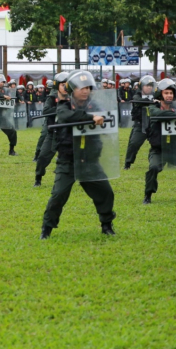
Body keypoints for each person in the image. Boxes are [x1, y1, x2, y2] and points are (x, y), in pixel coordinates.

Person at [40, 70, 116, 239]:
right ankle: (47, 228)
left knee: (106, 192)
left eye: (88, 87)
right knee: (58, 195)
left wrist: (98, 118)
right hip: (68, 161)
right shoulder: (64, 105)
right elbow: (65, 116)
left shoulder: (95, 106)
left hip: (90, 161)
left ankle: (106, 224)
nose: (85, 91)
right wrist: (90, 117)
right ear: (72, 89)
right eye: (81, 87)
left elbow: (106, 117)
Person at [34, 72, 69, 187]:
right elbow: (46, 111)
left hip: (68, 133)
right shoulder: (52, 97)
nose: (65, 87)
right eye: (62, 85)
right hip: (53, 133)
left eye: (67, 85)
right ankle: (38, 178)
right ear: (57, 85)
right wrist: (60, 109)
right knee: (43, 157)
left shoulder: (74, 97)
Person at [124, 75, 156, 169]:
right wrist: (152, 101)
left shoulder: (156, 95)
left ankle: (156, 161)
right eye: (147, 85)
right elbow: (138, 100)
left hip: (154, 124)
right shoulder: (137, 95)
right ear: (141, 86)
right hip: (140, 125)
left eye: (151, 85)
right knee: (134, 143)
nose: (149, 87)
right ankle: (127, 163)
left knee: (159, 144)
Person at [0, 74, 18, 156]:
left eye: (2, 81)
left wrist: (11, 102)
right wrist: (3, 96)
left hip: (0, 116)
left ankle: (12, 150)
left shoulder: (6, 90)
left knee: (12, 131)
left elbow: (11, 98)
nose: (1, 83)